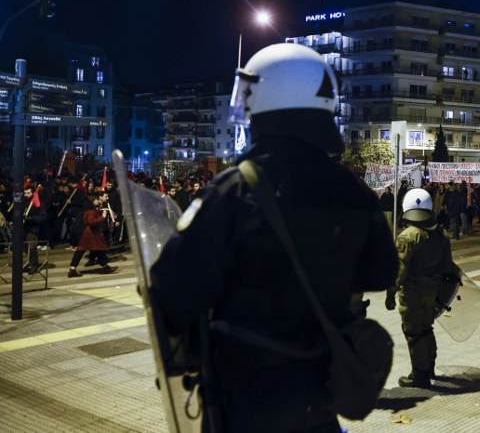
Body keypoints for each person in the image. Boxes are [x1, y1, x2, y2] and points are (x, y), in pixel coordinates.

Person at [150, 43, 399, 432]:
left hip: (248, 400)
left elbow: (174, 287)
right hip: (319, 397)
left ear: (269, 98)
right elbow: (383, 271)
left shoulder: (235, 190)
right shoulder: (353, 191)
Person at [385, 188, 453, 388]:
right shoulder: (441, 233)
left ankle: (420, 375)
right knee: (426, 329)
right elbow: (448, 266)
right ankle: (429, 366)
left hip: (412, 293)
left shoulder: (408, 236)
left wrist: (390, 294)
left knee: (413, 333)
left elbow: (398, 270)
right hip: (432, 291)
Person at [67, 192, 119, 278]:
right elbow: (92, 222)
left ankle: (73, 269)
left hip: (90, 233)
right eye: (96, 200)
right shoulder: (90, 211)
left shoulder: (89, 210)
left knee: (92, 250)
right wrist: (102, 217)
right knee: (92, 250)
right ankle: (105, 267)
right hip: (90, 234)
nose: (97, 201)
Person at [23, 185, 48, 275]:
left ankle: (34, 265)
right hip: (25, 228)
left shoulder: (38, 203)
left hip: (33, 229)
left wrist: (31, 218)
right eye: (25, 193)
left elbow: (42, 217)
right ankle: (29, 263)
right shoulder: (26, 202)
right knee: (27, 247)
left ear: (33, 193)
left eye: (28, 193)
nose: (26, 195)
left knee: (32, 247)